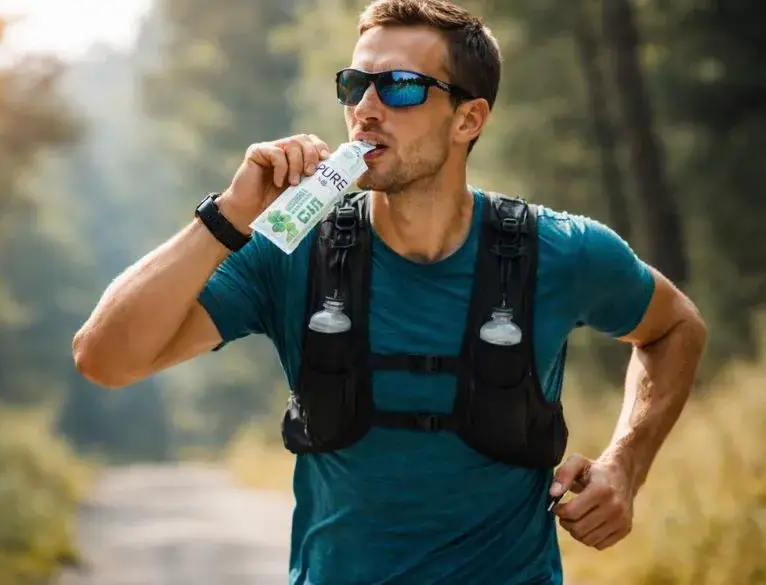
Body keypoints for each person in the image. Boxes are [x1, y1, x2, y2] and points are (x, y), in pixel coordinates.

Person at [72, 0, 708, 583]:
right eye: (355, 85)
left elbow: (675, 328)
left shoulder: (560, 251)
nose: (366, 109)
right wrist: (227, 218)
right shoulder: (292, 252)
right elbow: (104, 357)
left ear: (469, 119)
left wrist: (626, 464)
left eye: (401, 87)